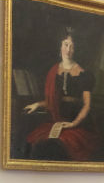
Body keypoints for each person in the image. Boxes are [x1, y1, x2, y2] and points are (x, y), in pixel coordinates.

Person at [23, 28, 101, 161]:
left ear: (76, 50)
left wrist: (73, 124)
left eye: (72, 46)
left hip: (77, 123)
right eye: (66, 45)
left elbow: (86, 105)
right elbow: (52, 101)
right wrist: (37, 104)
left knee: (61, 145)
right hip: (56, 120)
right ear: (60, 46)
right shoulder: (53, 71)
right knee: (35, 142)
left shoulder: (84, 74)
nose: (68, 50)